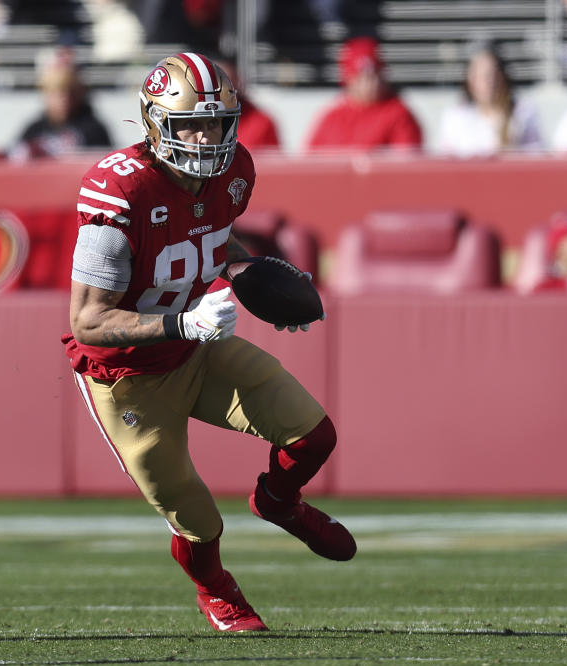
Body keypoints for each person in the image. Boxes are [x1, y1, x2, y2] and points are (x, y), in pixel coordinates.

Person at [62, 53, 356, 633]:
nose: (206, 137)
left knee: (312, 433)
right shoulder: (120, 192)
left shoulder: (234, 172)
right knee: (197, 519)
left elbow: (208, 238)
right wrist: (183, 324)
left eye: (216, 123)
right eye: (189, 124)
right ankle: (218, 590)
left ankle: (278, 501)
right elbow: (89, 323)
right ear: (153, 125)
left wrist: (247, 275)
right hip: (126, 380)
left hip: (196, 349)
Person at [305, 36, 423, 151]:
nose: (371, 84)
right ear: (348, 79)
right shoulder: (333, 117)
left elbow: (405, 162)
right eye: (361, 78)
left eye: (374, 75)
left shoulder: (399, 114)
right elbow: (312, 161)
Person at [435, 43, 541, 157]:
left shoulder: (523, 113)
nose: (488, 82)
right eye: (480, 75)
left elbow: (536, 157)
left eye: (492, 74)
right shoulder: (455, 117)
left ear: (503, 77)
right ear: (470, 80)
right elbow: (444, 160)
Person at [10, 59, 112, 160]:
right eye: (56, 93)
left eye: (69, 92)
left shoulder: (93, 129)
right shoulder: (35, 129)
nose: (64, 99)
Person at [213, 58, 280, 151]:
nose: (223, 91)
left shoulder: (261, 123)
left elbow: (271, 163)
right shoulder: (193, 122)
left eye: (228, 83)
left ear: (238, 80)